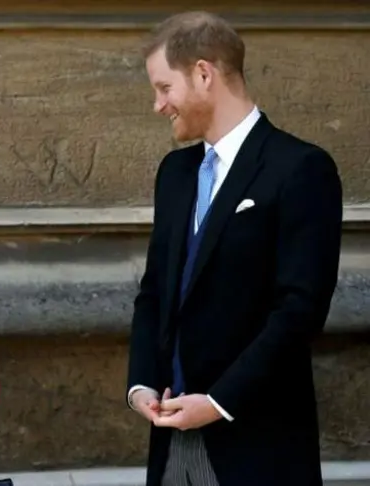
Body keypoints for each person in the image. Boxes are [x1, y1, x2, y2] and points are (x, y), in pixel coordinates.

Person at [126, 11, 342, 486]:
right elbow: (156, 291)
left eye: (164, 88)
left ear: (204, 73)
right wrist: (140, 383)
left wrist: (219, 403)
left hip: (257, 448)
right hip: (170, 448)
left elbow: (300, 310)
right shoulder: (175, 174)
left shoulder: (301, 169)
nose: (158, 105)